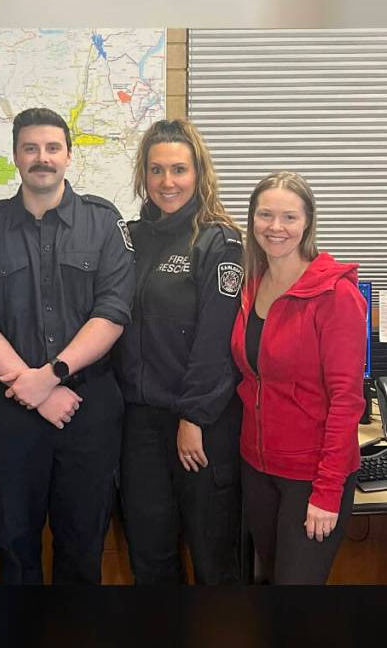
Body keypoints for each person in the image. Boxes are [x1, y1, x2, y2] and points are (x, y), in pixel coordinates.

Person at [0, 107, 135, 584]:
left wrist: (51, 376)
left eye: (53, 147)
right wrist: (33, 389)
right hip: (9, 411)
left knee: (83, 544)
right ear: (15, 155)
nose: (42, 157)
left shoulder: (103, 222)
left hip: (88, 408)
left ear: (69, 155)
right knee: (13, 545)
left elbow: (113, 311)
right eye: (31, 148)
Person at [113, 118, 245, 584]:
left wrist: (194, 417)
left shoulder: (219, 242)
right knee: (149, 558)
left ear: (198, 173)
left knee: (213, 561)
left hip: (200, 425)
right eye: (156, 170)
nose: (167, 182)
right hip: (140, 424)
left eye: (179, 170)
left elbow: (217, 341)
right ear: (144, 175)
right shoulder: (129, 239)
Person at [229, 171, 365, 584]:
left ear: (307, 223)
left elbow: (346, 400)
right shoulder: (250, 286)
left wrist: (328, 490)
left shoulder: (335, 295)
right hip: (257, 469)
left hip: (311, 476)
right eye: (265, 215)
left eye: (289, 217)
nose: (276, 227)